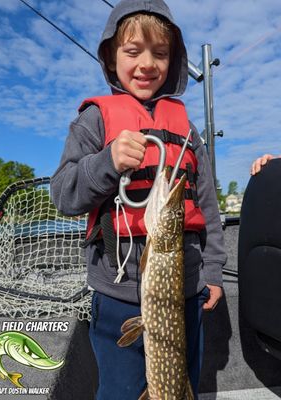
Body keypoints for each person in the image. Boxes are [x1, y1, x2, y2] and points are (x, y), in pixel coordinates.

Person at [50, 0, 227, 398]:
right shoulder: (95, 121)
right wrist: (107, 161)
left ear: (173, 60)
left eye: (160, 53)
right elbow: (63, 194)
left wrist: (213, 271)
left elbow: (208, 206)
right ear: (112, 59)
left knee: (182, 386)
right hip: (117, 296)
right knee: (120, 392)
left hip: (186, 290)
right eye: (133, 52)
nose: (147, 63)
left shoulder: (187, 130)